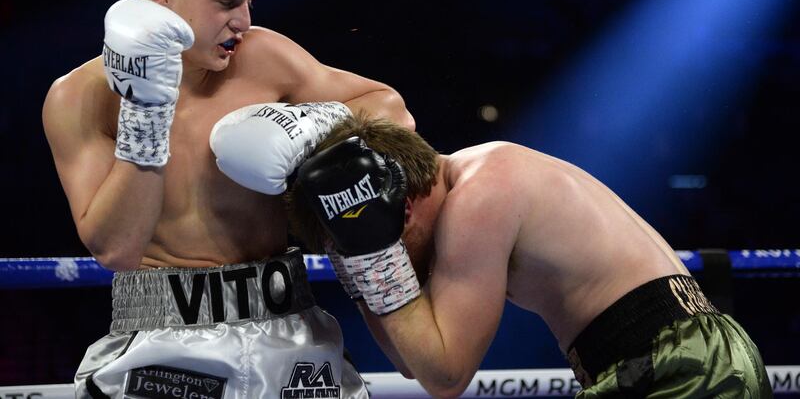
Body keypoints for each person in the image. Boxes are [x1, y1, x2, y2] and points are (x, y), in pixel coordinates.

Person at [42, 0, 413, 398]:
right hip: (162, 347)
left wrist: (310, 123)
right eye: (226, 1)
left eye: (248, 1)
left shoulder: (264, 57)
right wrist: (146, 116)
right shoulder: (80, 97)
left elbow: (391, 108)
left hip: (291, 330)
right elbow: (116, 247)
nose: (243, 19)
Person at [285, 114, 773, 399]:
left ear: (404, 208)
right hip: (675, 354)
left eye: (378, 244)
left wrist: (372, 251)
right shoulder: (475, 178)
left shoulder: (482, 196)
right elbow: (412, 360)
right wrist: (358, 254)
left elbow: (446, 375)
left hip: (678, 363)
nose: (388, 262)